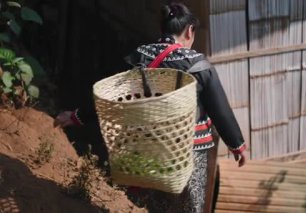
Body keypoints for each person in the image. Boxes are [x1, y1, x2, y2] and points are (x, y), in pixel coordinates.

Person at [54, 2, 246, 212]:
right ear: (190, 31)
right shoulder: (198, 65)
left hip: (146, 148)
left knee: (151, 206)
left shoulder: (139, 57)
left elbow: (111, 96)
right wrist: (236, 145)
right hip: (188, 150)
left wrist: (75, 116)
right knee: (191, 205)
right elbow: (220, 110)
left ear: (162, 29)